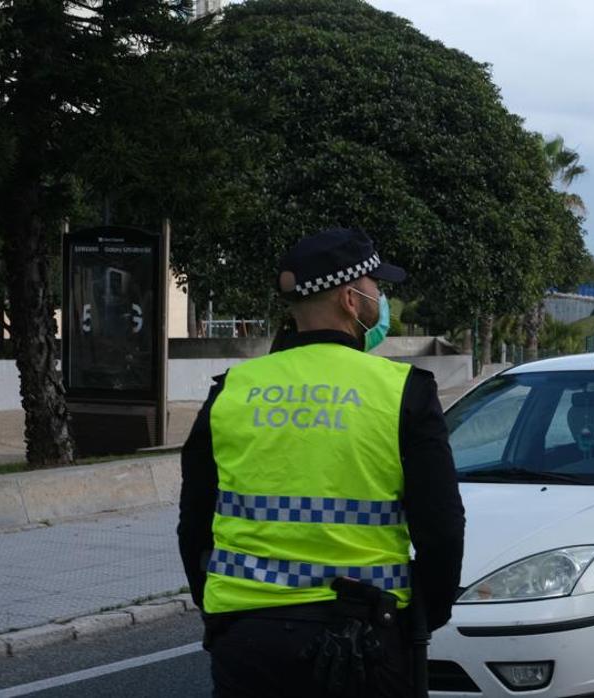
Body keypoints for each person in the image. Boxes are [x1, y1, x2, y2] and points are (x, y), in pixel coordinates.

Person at [177, 227, 466, 697]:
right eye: (376, 285)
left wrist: (220, 613)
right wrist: (421, 618)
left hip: (247, 640)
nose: (381, 296)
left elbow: (194, 525)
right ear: (351, 300)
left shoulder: (232, 389)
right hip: (364, 639)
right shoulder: (403, 391)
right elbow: (442, 529)